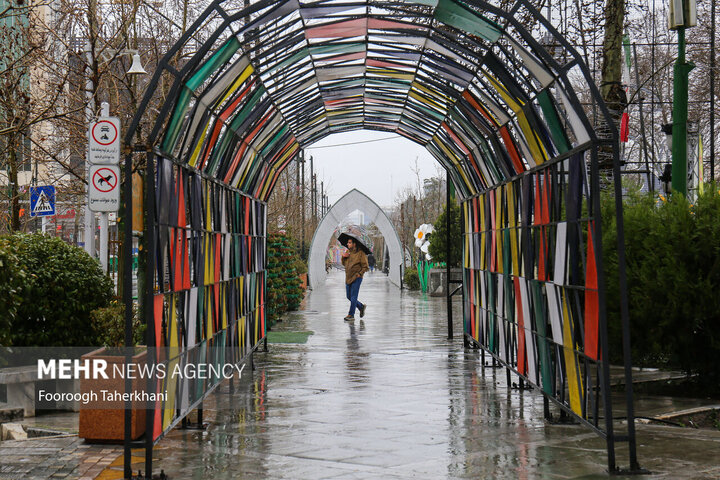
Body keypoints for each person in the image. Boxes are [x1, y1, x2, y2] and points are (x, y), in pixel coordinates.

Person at [341, 237, 369, 321]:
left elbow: (365, 266)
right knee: (349, 296)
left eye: (349, 243)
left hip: (356, 278)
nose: (348, 244)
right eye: (348, 243)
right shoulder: (348, 252)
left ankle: (351, 315)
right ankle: (361, 306)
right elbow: (344, 264)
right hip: (348, 277)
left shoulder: (361, 253)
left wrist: (359, 274)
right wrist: (344, 257)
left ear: (354, 244)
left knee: (353, 297)